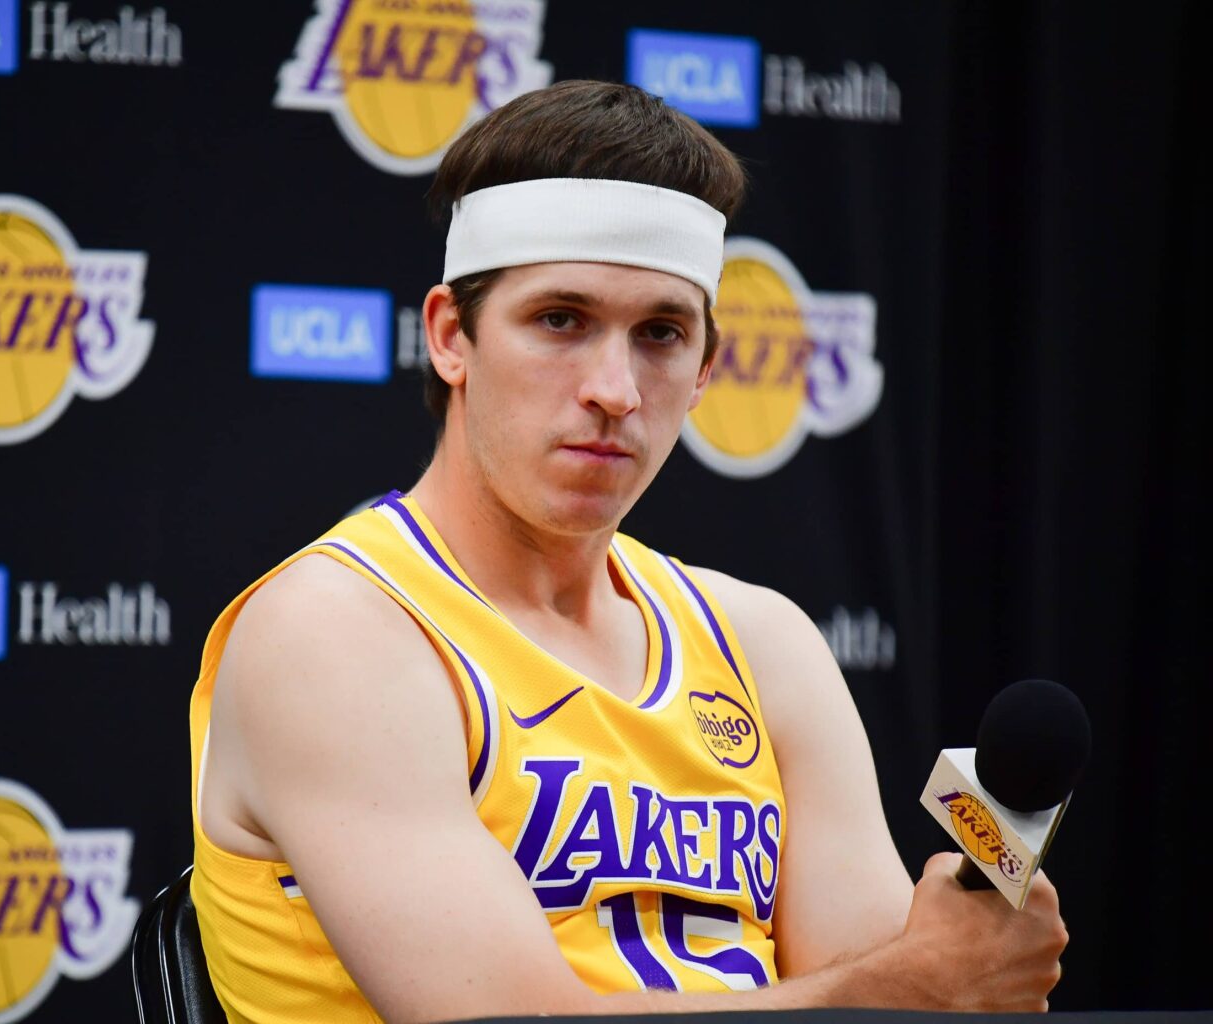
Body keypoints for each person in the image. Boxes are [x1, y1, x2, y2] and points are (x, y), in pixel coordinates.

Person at [188, 80, 1067, 1023]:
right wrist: (906, 982)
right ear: (451, 336)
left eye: (661, 333)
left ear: (704, 372)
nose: (614, 388)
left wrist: (955, 969)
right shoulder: (335, 630)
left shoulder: (760, 643)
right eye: (561, 319)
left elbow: (901, 1006)